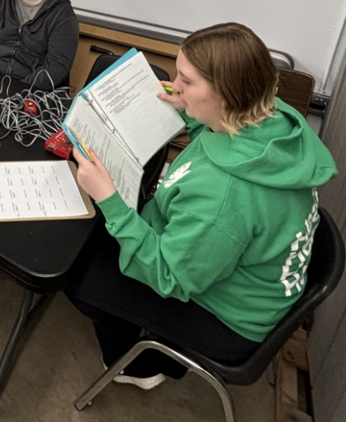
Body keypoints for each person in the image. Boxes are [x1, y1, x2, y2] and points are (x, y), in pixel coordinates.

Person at [64, 23, 337, 389]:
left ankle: (142, 367)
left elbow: (169, 276)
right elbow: (219, 141)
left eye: (187, 81)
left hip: (229, 320)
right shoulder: (273, 118)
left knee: (78, 274)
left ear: (226, 95)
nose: (175, 85)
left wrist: (110, 200)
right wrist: (189, 109)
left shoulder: (225, 197)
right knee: (108, 244)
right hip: (252, 284)